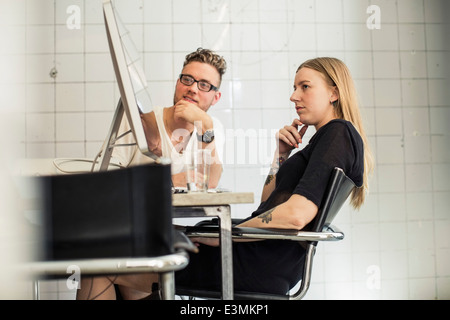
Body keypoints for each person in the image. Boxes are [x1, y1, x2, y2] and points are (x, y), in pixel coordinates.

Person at [76, 57, 373, 299]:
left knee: (100, 263)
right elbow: (268, 203)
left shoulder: (338, 133)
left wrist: (226, 234)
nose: (294, 96)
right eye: (295, 87)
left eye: (305, 87)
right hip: (261, 256)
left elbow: (296, 216)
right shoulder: (327, 138)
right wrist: (280, 156)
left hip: (255, 263)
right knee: (136, 246)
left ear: (334, 92)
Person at [108, 47, 227, 189]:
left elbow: (210, 183)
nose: (193, 89)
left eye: (204, 85)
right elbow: (108, 179)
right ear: (178, 83)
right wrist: (168, 181)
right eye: (188, 79)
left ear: (216, 98)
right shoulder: (140, 120)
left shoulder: (212, 127)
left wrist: (205, 126)